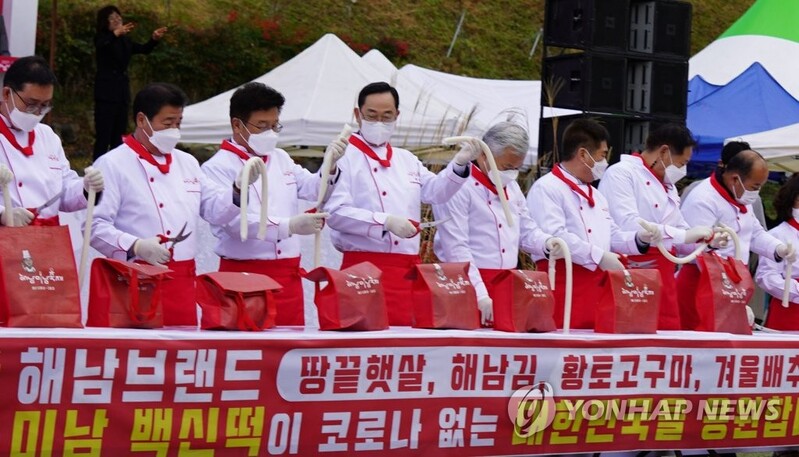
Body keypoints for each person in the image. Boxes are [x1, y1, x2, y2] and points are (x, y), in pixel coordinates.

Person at [90, 82, 260, 326]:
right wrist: (135, 245)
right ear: (141, 120)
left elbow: (213, 208)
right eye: (167, 123)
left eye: (178, 123)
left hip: (181, 281)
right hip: (135, 278)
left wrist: (237, 190)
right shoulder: (112, 164)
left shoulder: (187, 162)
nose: (174, 130)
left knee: (181, 355)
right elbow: (94, 226)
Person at [324, 81, 481, 326]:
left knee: (404, 342)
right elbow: (334, 214)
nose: (379, 122)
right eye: (372, 116)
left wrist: (458, 164)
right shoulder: (342, 157)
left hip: (407, 271)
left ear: (397, 115)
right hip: (361, 271)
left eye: (387, 116)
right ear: (358, 115)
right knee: (364, 343)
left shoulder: (406, 159)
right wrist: (385, 222)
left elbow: (436, 192)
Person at [201, 82, 346, 325]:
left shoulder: (280, 158)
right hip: (243, 275)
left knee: (290, 352)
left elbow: (312, 189)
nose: (270, 133)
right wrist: (289, 226)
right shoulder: (216, 167)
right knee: (248, 353)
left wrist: (329, 164)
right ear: (237, 125)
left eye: (275, 125)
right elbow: (234, 224)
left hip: (287, 277)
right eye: (262, 126)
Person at [526, 118, 659, 329]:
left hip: (597, 288)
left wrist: (638, 238)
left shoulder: (596, 195)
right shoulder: (547, 188)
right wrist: (599, 256)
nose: (605, 162)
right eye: (603, 155)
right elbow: (557, 237)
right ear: (582, 154)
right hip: (564, 284)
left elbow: (611, 235)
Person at [432, 122, 558, 326]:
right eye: (507, 167)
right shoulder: (457, 186)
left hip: (508, 285)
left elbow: (525, 231)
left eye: (517, 168)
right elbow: (456, 247)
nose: (512, 173)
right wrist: (480, 293)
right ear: (483, 155)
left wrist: (547, 243)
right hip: (467, 283)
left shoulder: (513, 188)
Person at [598, 124, 713, 330]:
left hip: (665, 277)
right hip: (634, 273)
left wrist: (706, 241)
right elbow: (629, 223)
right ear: (664, 152)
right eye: (682, 163)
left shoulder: (667, 185)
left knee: (667, 341)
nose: (683, 170)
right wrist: (684, 236)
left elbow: (681, 230)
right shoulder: (621, 173)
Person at [678, 149, 795, 330]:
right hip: (701, 284)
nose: (756, 193)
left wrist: (778, 248)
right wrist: (709, 243)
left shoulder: (740, 197)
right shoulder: (703, 198)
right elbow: (687, 247)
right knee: (702, 346)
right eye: (755, 187)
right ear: (734, 179)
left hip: (732, 285)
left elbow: (755, 233)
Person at [0, 56, 104, 227]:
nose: (37, 112)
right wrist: (3, 213)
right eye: (31, 103)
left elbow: (62, 193)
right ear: (6, 94)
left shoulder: (48, 136)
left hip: (49, 238)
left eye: (45, 105)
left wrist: (86, 188)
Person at [93, 5, 167, 160]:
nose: (117, 20)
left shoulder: (125, 41)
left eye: (118, 17)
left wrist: (153, 39)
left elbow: (143, 49)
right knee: (103, 136)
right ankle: (96, 169)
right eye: (112, 18)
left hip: (121, 93)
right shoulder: (102, 38)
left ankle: (117, 169)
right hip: (105, 94)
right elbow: (101, 45)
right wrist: (114, 34)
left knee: (118, 136)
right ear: (105, 22)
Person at [756, 173, 799, 330]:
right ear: (796, 198)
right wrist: (794, 290)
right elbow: (766, 277)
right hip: (790, 308)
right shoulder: (777, 235)